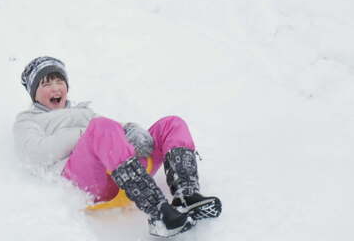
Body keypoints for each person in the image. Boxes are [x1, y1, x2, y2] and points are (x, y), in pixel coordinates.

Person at [13, 56, 221, 237]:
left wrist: (130, 129)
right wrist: (83, 134)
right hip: (81, 182)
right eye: (46, 84)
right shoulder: (28, 120)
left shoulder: (84, 112)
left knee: (171, 124)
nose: (56, 87)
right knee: (100, 126)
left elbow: (111, 131)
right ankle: (158, 212)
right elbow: (35, 154)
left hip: (119, 172)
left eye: (60, 81)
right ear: (34, 93)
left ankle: (186, 194)